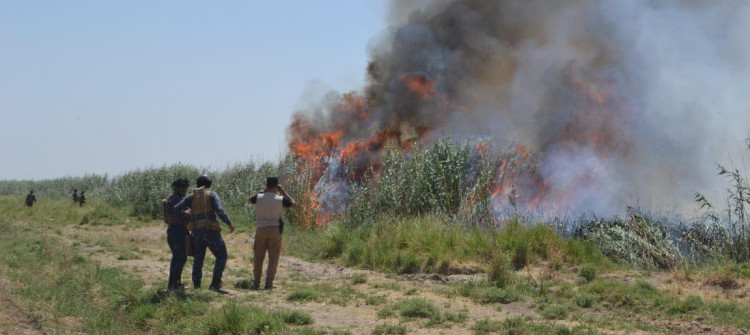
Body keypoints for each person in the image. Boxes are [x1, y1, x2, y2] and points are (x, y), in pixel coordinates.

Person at [173, 175, 235, 294]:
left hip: (196, 232)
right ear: (209, 184)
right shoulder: (211, 194)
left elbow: (176, 208)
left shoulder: (191, 196)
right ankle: (215, 285)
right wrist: (229, 223)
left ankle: (196, 287)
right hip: (211, 230)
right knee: (222, 256)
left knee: (198, 259)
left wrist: (186, 216)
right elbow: (220, 210)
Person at [247, 177, 296, 290]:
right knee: (273, 258)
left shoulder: (259, 197)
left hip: (261, 229)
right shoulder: (280, 199)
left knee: (258, 258)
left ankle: (256, 283)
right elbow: (294, 204)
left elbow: (249, 200)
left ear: (266, 185)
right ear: (276, 186)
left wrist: (262, 192)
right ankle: (268, 284)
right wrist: (284, 192)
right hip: (275, 230)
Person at [162, 178, 190, 291]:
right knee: (180, 258)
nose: (184, 190)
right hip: (177, 232)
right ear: (176, 188)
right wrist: (188, 213)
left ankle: (174, 284)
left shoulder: (176, 199)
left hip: (176, 231)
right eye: (182, 188)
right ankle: (174, 285)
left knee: (178, 258)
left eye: (185, 188)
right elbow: (180, 213)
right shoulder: (174, 200)